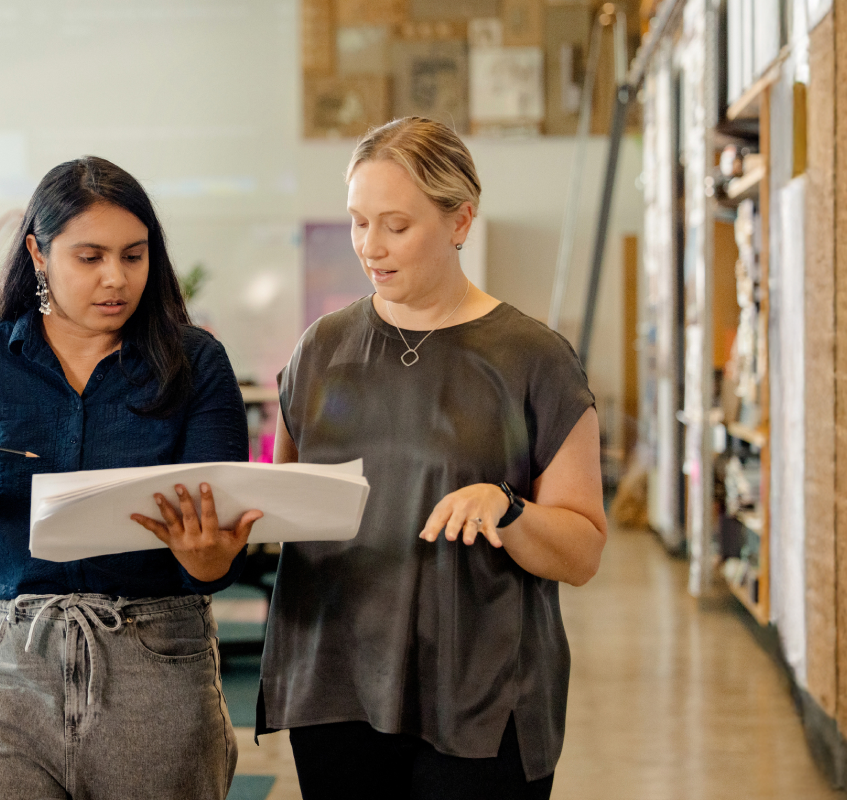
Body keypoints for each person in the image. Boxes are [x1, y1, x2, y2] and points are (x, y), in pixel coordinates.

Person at [259, 117, 609, 799]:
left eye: (396, 225)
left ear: (460, 222)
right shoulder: (321, 350)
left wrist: (506, 509)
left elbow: (583, 550)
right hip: (336, 687)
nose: (370, 247)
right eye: (359, 222)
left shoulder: (534, 360)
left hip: (481, 698)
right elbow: (287, 504)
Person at [0, 156, 259, 800]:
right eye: (89, 257)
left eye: (134, 255)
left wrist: (208, 558)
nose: (115, 279)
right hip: (3, 664)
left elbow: (214, 561)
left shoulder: (195, 362)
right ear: (39, 253)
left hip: (155, 661)